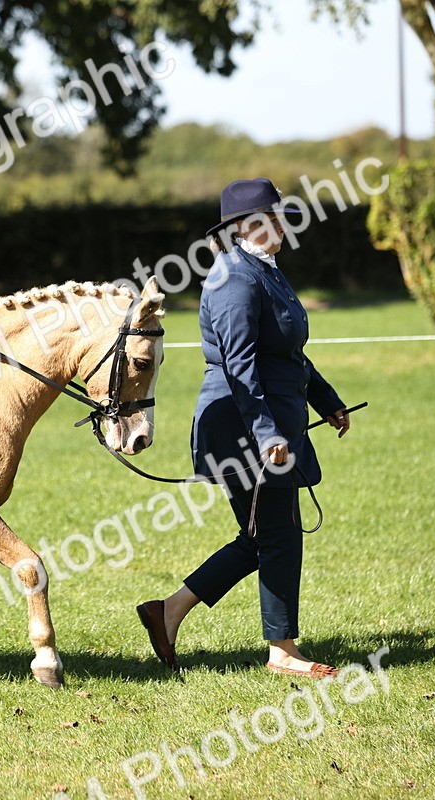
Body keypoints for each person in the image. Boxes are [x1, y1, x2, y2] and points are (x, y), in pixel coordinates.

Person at [136, 178, 351, 679]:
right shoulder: (233, 277)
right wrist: (267, 434)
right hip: (242, 425)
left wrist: (327, 399)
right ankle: (281, 652)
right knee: (275, 535)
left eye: (278, 215)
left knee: (265, 536)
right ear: (239, 228)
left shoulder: (266, 271)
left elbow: (286, 353)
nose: (277, 223)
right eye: (265, 217)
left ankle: (167, 612)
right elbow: (240, 365)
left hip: (269, 421)